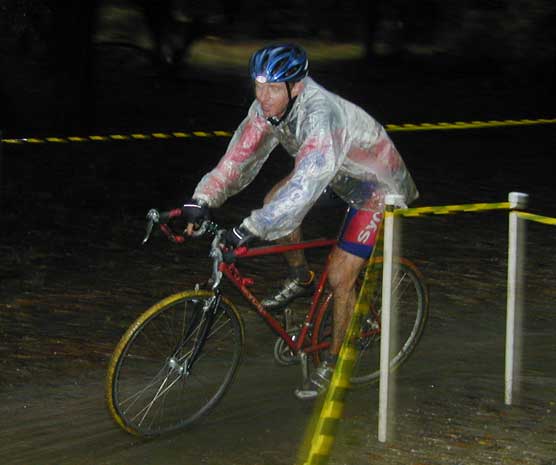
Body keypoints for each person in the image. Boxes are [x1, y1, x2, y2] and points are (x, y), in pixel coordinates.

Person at [182, 43, 418, 400]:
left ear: (296, 87)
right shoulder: (267, 108)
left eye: (273, 88)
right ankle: (300, 276)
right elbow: (237, 161)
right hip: (335, 173)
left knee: (340, 275)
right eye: (258, 86)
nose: (263, 97)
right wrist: (200, 200)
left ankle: (335, 364)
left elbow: (305, 189)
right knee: (272, 201)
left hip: (375, 184)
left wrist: (247, 230)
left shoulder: (320, 116)